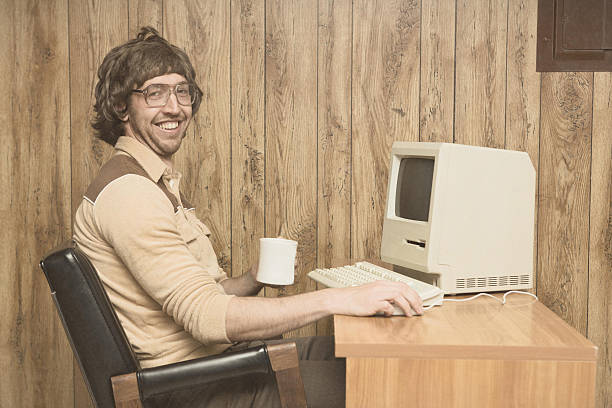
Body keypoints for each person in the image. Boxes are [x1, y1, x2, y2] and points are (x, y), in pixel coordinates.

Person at [73, 26, 424, 408]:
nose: (174, 107)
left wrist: (251, 279)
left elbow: (197, 298)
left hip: (217, 365)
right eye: (154, 92)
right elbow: (206, 317)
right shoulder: (129, 193)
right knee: (390, 383)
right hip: (192, 388)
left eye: (182, 91)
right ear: (122, 106)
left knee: (364, 356)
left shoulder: (152, 182)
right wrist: (339, 299)